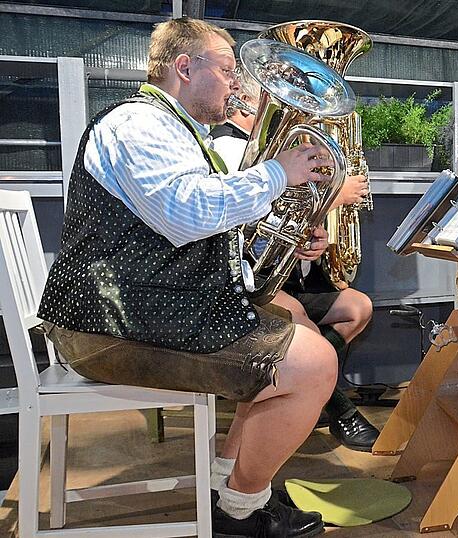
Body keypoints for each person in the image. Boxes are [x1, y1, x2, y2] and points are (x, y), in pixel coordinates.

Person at [37, 18, 334, 537]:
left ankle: (229, 488)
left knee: (295, 322)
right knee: (314, 366)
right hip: (106, 327)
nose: (238, 85)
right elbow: (187, 214)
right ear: (184, 67)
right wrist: (277, 173)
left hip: (140, 309)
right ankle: (240, 513)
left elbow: (202, 225)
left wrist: (293, 235)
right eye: (227, 69)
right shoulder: (138, 124)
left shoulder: (176, 130)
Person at [212, 74, 380, 452]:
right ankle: (342, 411)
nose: (292, 112)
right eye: (280, 102)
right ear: (245, 102)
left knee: (358, 307)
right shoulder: (225, 146)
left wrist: (313, 236)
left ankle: (318, 394)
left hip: (283, 276)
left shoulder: (275, 151)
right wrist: (335, 199)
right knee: (301, 325)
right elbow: (242, 216)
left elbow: (288, 213)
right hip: (245, 282)